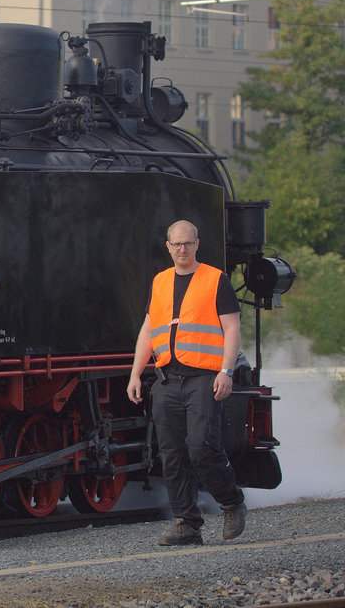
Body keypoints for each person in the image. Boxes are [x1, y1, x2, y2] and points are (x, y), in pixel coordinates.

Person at [127, 219, 247, 546]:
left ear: (197, 244)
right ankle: (187, 524)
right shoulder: (161, 282)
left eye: (187, 244)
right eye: (176, 244)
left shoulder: (215, 279)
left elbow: (232, 328)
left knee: (201, 447)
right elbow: (149, 330)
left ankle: (232, 502)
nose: (182, 249)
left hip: (204, 378)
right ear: (168, 247)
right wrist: (136, 373)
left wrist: (227, 371)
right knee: (172, 454)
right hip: (167, 379)